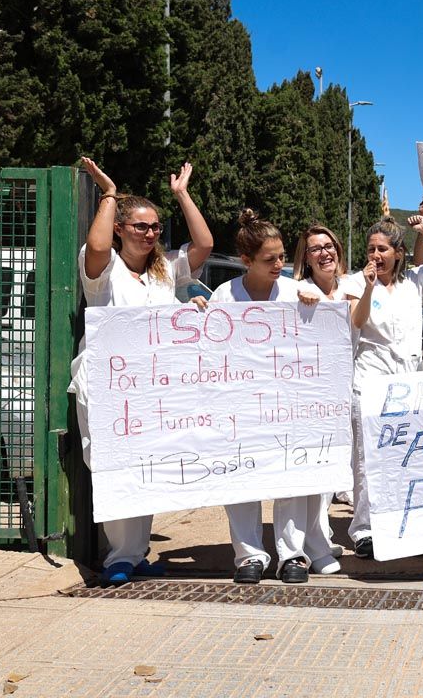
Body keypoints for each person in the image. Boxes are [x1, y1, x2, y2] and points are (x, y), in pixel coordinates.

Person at [72, 156, 213, 585]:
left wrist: (182, 194)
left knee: (146, 465)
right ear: (120, 228)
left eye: (154, 227)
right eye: (140, 227)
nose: (150, 234)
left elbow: (204, 244)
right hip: (105, 384)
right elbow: (96, 247)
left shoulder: (164, 271)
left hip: (151, 390)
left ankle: (134, 553)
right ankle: (119, 555)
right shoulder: (104, 270)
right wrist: (110, 194)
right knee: (110, 464)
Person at [211, 210, 321, 585]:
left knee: (291, 476)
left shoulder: (297, 292)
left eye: (282, 256)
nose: (279, 264)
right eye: (269, 259)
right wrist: (198, 313)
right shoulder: (224, 296)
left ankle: (293, 555)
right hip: (240, 407)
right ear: (246, 261)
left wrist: (317, 311)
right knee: (241, 477)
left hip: (288, 405)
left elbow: (326, 342)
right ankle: (249, 556)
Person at [342, 213, 423, 561]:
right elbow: (357, 322)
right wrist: (366, 286)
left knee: (402, 458)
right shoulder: (354, 282)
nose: (375, 255)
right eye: (370, 249)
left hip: (406, 384)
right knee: (365, 461)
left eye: (381, 249)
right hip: (369, 381)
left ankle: (393, 520)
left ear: (397, 252)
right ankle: (363, 529)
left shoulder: (414, 281)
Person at [289, 224, 356, 575]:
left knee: (332, 474)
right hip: (308, 396)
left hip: (344, 391)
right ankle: (311, 548)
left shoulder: (353, 286)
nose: (324, 252)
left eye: (328, 245)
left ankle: (321, 538)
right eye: (315, 248)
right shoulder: (297, 289)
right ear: (306, 257)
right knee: (311, 472)